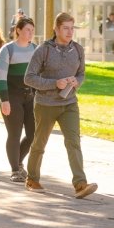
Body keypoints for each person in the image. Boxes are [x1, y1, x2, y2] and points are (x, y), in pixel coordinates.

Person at [23, 12, 97, 199]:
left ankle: (80, 184)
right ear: (56, 29)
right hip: (45, 104)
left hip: (69, 103)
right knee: (40, 142)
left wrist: (75, 81)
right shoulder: (43, 50)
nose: (70, 32)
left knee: (74, 142)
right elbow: (29, 78)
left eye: (72, 28)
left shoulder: (78, 49)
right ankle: (32, 178)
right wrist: (54, 83)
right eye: (66, 28)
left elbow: (81, 74)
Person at [0, 17, 38, 183]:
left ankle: (18, 160)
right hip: (12, 96)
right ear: (18, 30)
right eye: (27, 30)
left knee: (33, 134)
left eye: (32, 30)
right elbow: (0, 77)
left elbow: (40, 74)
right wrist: (4, 100)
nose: (30, 33)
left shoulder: (35, 49)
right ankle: (15, 169)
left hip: (31, 96)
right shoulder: (8, 50)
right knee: (14, 133)